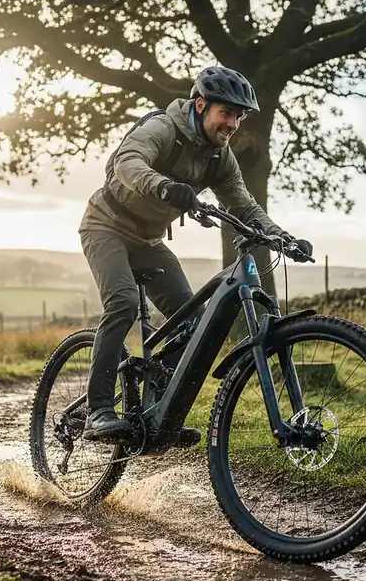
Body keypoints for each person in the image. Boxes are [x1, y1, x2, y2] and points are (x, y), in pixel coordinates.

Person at [78, 65, 313, 444]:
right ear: (200, 105)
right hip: (106, 226)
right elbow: (127, 162)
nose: (233, 123)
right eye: (226, 113)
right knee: (122, 303)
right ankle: (98, 411)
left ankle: (156, 416)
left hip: (149, 241)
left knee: (193, 325)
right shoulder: (163, 129)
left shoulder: (220, 157)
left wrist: (284, 239)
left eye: (238, 116)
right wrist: (165, 186)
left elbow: (245, 206)